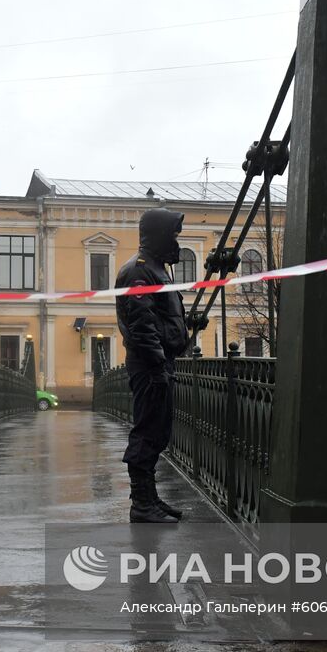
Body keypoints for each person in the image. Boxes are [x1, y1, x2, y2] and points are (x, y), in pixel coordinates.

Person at [114, 208, 189, 523]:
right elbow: (142, 326)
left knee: (158, 431)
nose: (175, 240)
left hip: (158, 363)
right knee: (147, 430)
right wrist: (158, 365)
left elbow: (159, 317)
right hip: (150, 366)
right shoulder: (140, 271)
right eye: (172, 234)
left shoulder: (157, 269)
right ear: (158, 235)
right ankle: (141, 504)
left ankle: (150, 499)